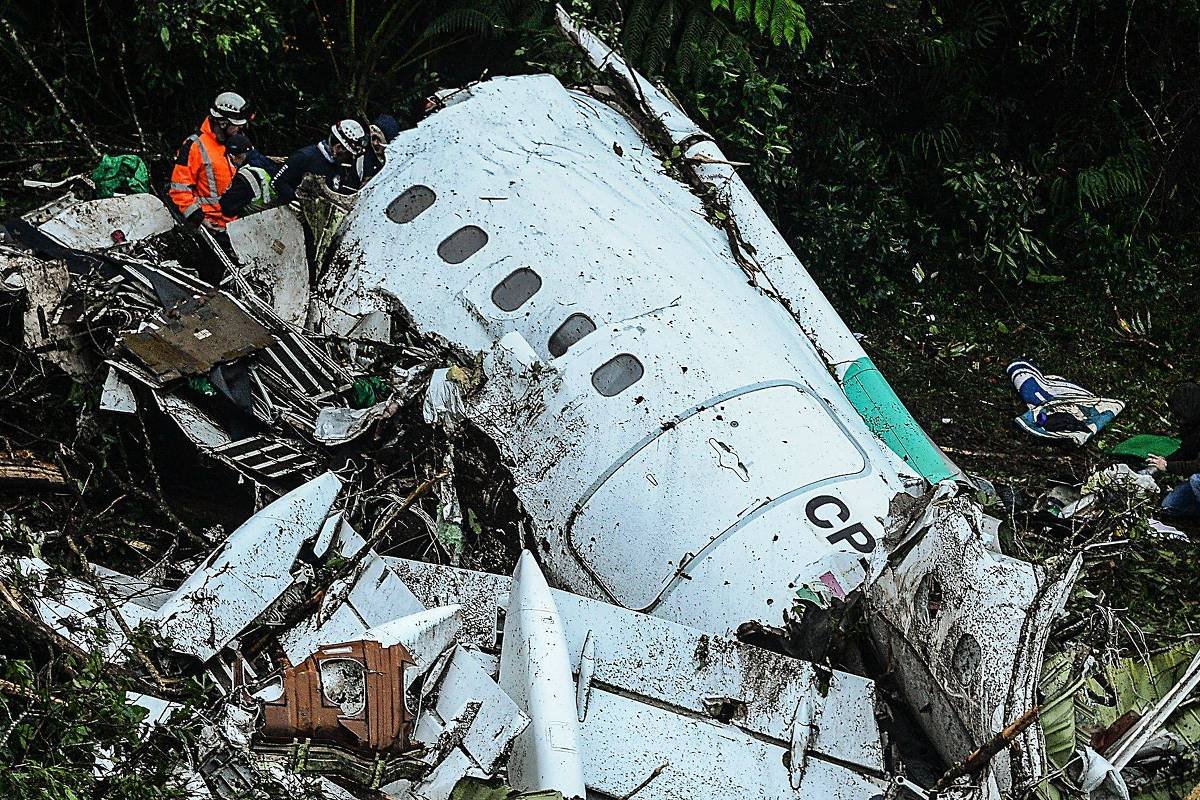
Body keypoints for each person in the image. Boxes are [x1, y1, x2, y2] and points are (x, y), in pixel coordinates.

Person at [169, 92, 252, 231]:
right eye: (236, 125)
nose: (240, 129)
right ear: (223, 123)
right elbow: (179, 190)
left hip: (238, 223)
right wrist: (199, 219)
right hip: (211, 225)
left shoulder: (238, 142)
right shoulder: (195, 146)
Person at [271, 120, 368, 203]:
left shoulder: (337, 167)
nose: (348, 158)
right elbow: (278, 182)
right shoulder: (304, 157)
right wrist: (297, 199)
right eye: (348, 154)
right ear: (338, 147)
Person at [1147, 381, 1200, 517]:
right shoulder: (1192, 424)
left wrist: (1168, 466)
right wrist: (1164, 461)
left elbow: (1197, 466)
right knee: (1169, 506)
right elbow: (1187, 451)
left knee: (1196, 480)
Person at [219, 134, 277, 219]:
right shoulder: (267, 162)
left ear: (233, 157)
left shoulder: (245, 176)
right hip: (278, 215)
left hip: (256, 221)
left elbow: (228, 208)